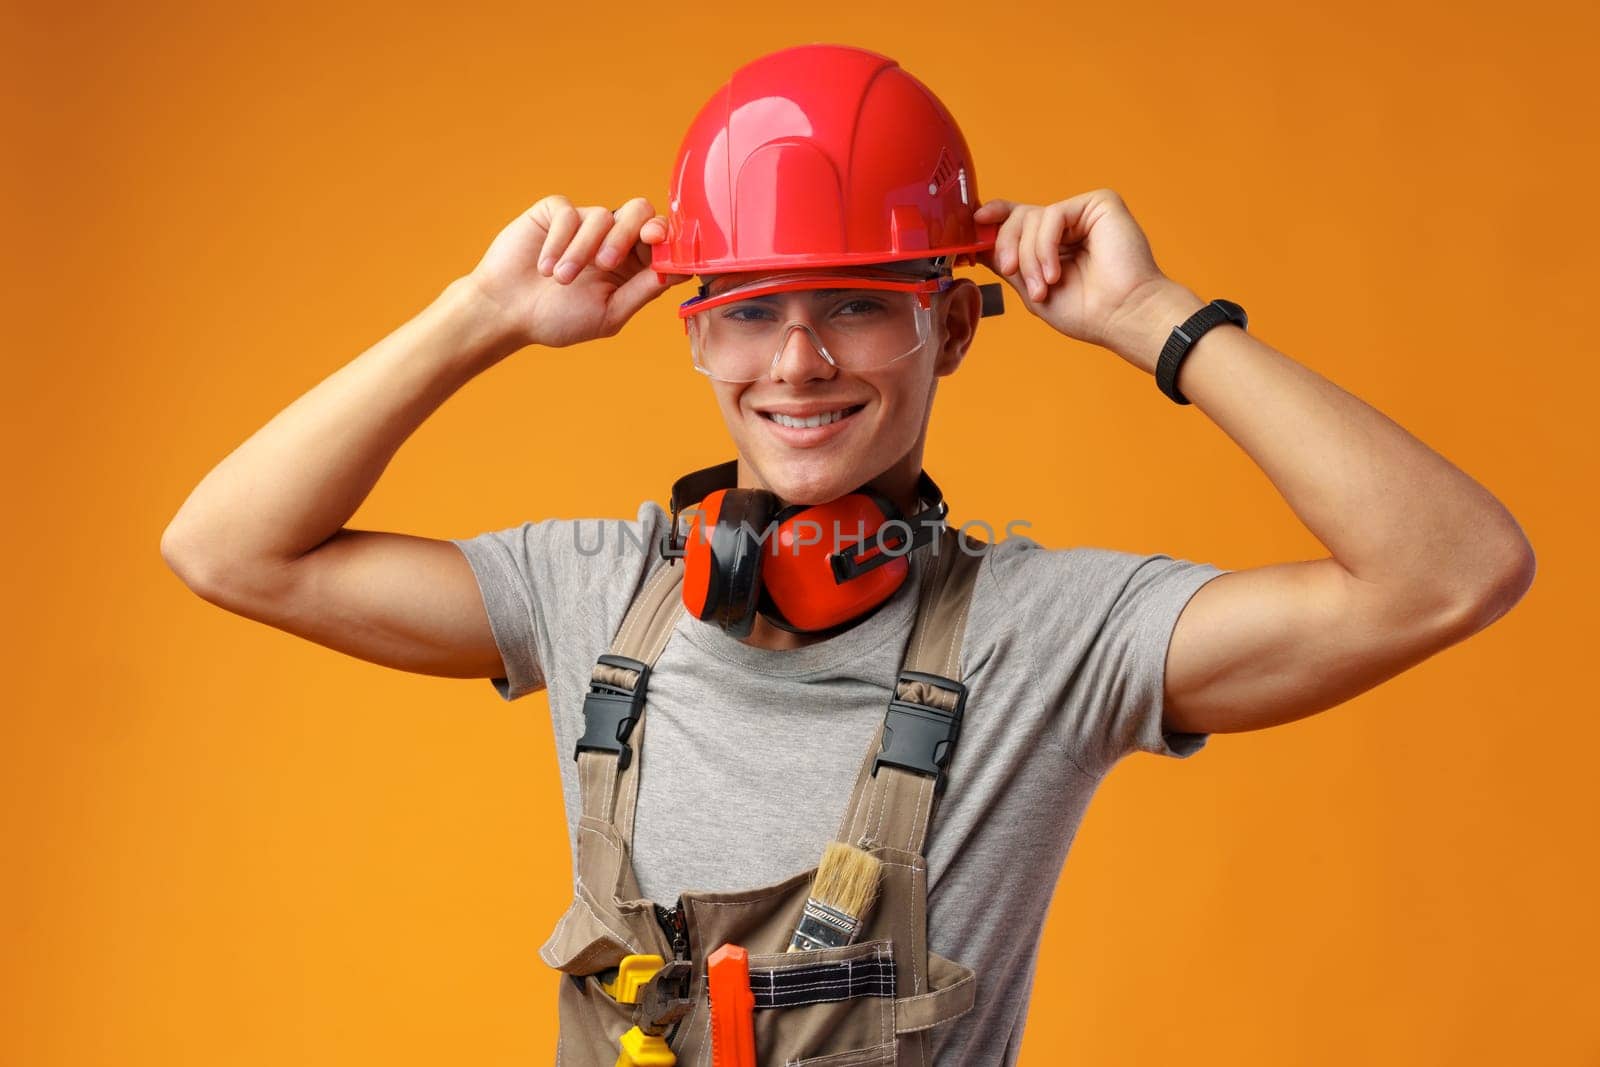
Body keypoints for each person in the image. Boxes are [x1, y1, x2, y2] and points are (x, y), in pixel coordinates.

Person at [161, 42, 1534, 1065]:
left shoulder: (1054, 637)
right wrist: (478, 316)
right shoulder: (591, 593)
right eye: (753, 313)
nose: (800, 362)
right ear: (695, 335)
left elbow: (1452, 571)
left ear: (953, 326)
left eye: (860, 309)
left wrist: (1157, 319)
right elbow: (229, 550)